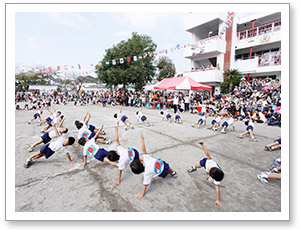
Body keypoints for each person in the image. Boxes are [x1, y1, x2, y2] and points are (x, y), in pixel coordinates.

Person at [130, 133, 177, 200]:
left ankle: (171, 173)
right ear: (141, 161)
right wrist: (142, 139)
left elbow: (145, 184)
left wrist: (142, 193)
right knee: (168, 167)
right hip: (161, 163)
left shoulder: (146, 174)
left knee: (164, 173)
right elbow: (143, 150)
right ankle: (173, 173)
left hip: (160, 171)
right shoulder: (146, 158)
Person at [187, 142, 224, 208]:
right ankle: (194, 167)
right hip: (205, 162)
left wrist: (218, 200)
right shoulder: (211, 162)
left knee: (213, 181)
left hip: (214, 172)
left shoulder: (217, 180)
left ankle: (196, 168)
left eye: (209, 170)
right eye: (210, 169)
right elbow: (207, 153)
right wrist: (202, 145)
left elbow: (218, 190)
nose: (209, 168)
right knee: (198, 165)